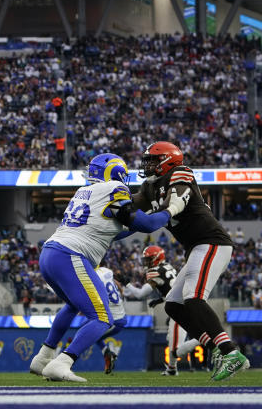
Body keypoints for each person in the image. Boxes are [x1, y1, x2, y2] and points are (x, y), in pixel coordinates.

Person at [29, 153, 182, 382]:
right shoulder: (114, 189)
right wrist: (171, 211)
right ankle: (62, 362)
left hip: (51, 254)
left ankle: (43, 356)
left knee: (72, 305)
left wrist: (149, 214)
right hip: (71, 254)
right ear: (115, 172)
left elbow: (115, 230)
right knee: (102, 318)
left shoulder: (85, 191)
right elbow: (146, 225)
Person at [134, 141, 247, 381]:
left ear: (168, 161)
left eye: (153, 160)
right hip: (196, 248)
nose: (148, 165)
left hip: (212, 242)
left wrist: (167, 211)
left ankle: (231, 353)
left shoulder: (180, 173)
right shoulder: (149, 187)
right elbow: (131, 206)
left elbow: (179, 199)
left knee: (194, 297)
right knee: (173, 305)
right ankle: (214, 347)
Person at [123, 245, 200, 375]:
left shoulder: (155, 272)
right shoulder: (168, 267)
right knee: (171, 340)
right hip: (183, 304)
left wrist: (127, 284)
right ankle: (171, 369)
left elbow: (140, 294)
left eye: (149, 259)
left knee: (176, 350)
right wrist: (160, 300)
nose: (146, 262)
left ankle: (204, 338)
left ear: (157, 258)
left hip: (179, 310)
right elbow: (172, 289)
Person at [93, 265, 126, 374]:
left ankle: (107, 354)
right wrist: (121, 292)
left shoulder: (94, 275)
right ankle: (107, 354)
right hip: (119, 316)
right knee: (90, 332)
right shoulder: (106, 271)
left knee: (89, 334)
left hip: (114, 321)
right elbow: (116, 283)